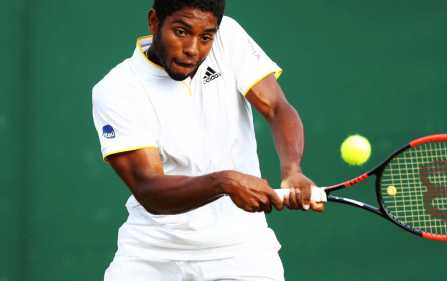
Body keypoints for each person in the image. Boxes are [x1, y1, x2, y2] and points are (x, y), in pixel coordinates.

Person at [92, 0, 324, 280]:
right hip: (152, 256)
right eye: (181, 32)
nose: (192, 49)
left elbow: (276, 107)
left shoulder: (229, 38)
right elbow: (149, 188)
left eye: (205, 37)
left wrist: (292, 170)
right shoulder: (117, 89)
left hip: (243, 253)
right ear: (154, 22)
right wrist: (224, 182)